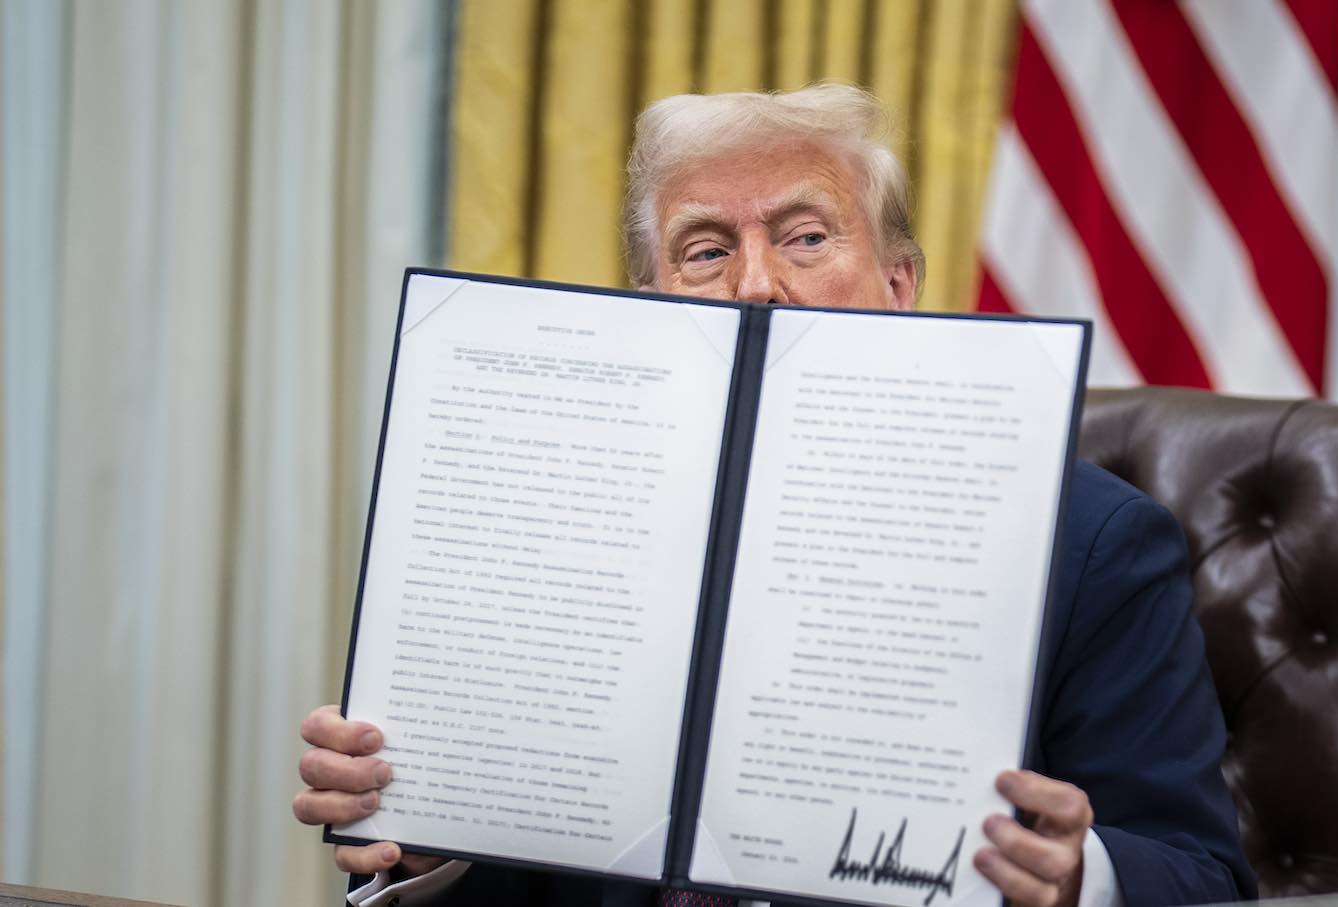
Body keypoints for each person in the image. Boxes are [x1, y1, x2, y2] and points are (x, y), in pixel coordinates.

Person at [292, 84, 1257, 907]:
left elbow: (1202, 875)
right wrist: (429, 840)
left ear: (899, 284)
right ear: (653, 304)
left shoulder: (1093, 541)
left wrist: (1071, 875)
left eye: (804, 236)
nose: (756, 286)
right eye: (705, 250)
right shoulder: (553, 526)